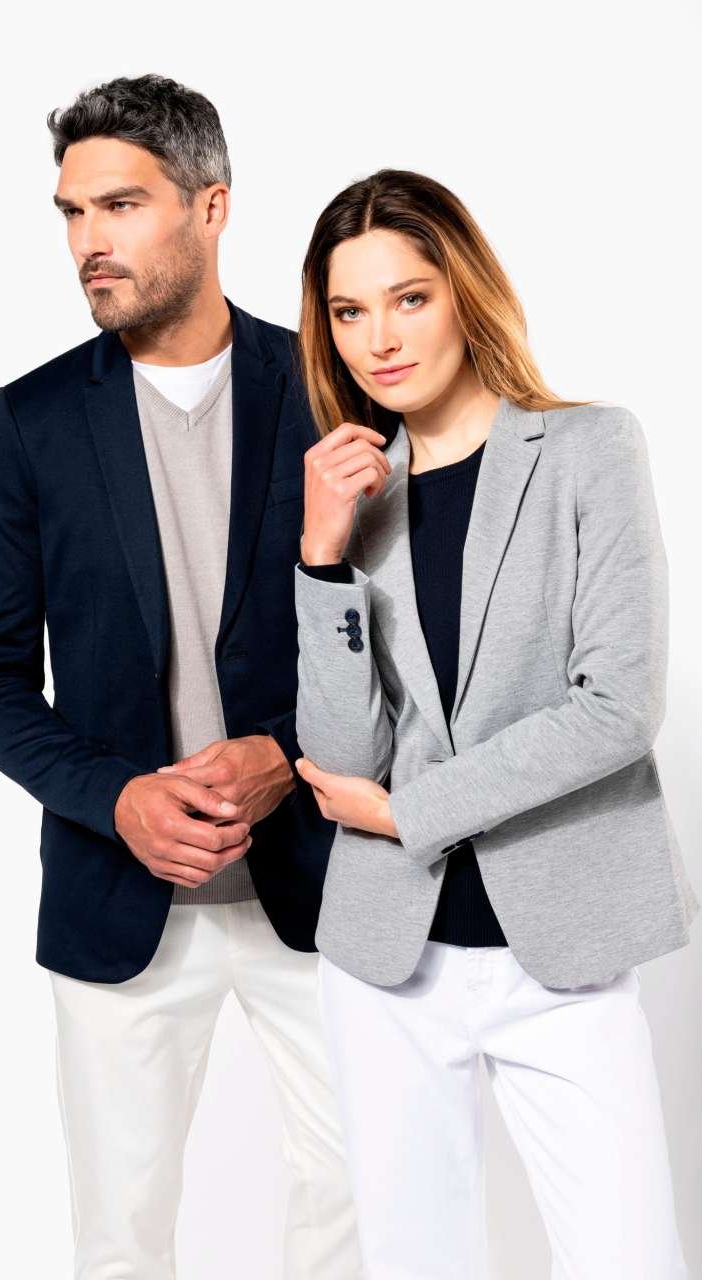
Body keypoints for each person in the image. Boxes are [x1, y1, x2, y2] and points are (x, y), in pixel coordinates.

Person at [0, 74, 362, 1279]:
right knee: (121, 1235)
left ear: (211, 205)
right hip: (114, 898)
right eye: (72, 213)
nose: (90, 241)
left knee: (360, 1196)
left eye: (120, 205)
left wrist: (286, 755)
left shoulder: (331, 389)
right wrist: (117, 795)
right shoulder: (30, 421)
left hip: (324, 883)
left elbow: (403, 640)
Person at [291, 167, 698, 1279]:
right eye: (349, 311)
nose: (380, 338)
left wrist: (408, 810)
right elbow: (342, 757)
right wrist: (320, 557)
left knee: (628, 1259)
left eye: (408, 297)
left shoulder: (588, 449)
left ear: (464, 291)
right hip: (385, 961)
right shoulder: (356, 496)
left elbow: (616, 704)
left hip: (559, 949)